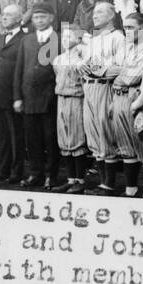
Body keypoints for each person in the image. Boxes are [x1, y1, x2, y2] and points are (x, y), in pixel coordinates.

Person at [108, 10, 143, 198]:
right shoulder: (127, 46)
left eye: (131, 28)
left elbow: (132, 78)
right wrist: (119, 72)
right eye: (125, 27)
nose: (127, 31)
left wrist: (118, 72)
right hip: (120, 96)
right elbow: (110, 71)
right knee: (125, 145)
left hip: (137, 98)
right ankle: (131, 188)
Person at [82, 1, 127, 194]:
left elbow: (123, 67)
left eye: (100, 12)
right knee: (93, 136)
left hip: (105, 87)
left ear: (111, 16)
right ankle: (101, 182)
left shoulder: (118, 37)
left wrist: (99, 71)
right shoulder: (93, 38)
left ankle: (109, 184)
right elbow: (84, 63)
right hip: (89, 89)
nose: (95, 15)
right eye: (94, 12)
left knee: (105, 134)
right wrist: (82, 66)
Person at [14, 0, 61, 189]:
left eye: (43, 17)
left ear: (51, 18)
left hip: (50, 99)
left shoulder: (58, 39)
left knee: (50, 139)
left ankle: (52, 175)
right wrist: (17, 97)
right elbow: (19, 70)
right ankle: (36, 173)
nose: (39, 20)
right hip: (28, 98)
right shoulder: (27, 40)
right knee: (32, 139)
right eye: (36, 17)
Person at [0, 3, 27, 183]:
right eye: (3, 15)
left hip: (13, 96)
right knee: (2, 136)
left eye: (9, 15)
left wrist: (19, 97)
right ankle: (2, 169)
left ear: (19, 19)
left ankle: (16, 172)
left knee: (16, 136)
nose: (4, 17)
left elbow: (23, 70)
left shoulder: (26, 39)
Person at [50, 25, 92, 193]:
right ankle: (70, 179)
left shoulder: (83, 57)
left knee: (76, 139)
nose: (66, 39)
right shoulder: (58, 59)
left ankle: (80, 180)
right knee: (64, 140)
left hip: (76, 99)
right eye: (64, 37)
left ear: (78, 39)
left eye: (70, 36)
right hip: (61, 98)